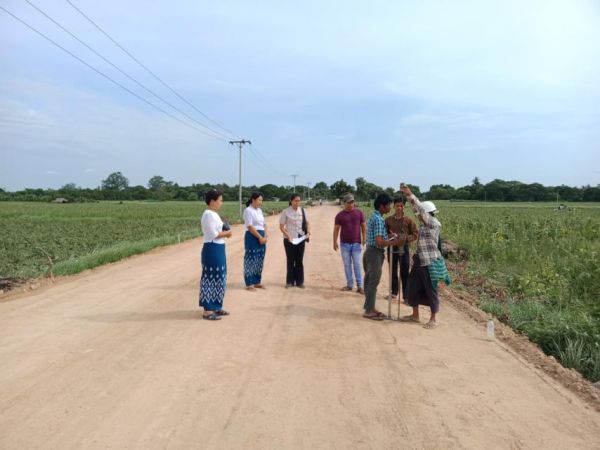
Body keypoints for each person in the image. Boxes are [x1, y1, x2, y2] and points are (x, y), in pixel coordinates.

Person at [399, 183, 450, 329]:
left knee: (431, 290)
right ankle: (415, 316)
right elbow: (419, 211)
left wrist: (409, 194)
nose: (418, 217)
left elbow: (420, 209)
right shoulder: (423, 225)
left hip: (429, 261)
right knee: (413, 287)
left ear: (428, 214)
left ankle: (433, 319)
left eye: (421, 215)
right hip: (419, 260)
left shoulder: (433, 223)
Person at [363, 193, 402, 320]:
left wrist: (389, 237)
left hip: (370, 251)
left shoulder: (374, 216)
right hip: (375, 252)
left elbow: (379, 237)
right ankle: (369, 311)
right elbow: (379, 241)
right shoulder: (379, 220)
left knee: (369, 280)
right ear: (382, 206)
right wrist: (393, 242)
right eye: (388, 205)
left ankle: (370, 307)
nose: (390, 208)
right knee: (373, 281)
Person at [199, 189, 232, 321]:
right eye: (220, 200)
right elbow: (213, 234)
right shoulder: (208, 214)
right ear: (212, 201)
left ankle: (216, 306)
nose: (221, 202)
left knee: (220, 276)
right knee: (210, 277)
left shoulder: (214, 214)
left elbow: (219, 230)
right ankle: (207, 310)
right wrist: (228, 233)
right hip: (212, 247)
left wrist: (226, 230)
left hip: (218, 247)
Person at [384, 197, 418, 302]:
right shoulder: (388, 220)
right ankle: (394, 292)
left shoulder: (408, 220)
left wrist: (405, 238)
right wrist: (390, 236)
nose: (399, 208)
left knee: (405, 271)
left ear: (404, 207)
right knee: (392, 270)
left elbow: (415, 234)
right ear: (394, 206)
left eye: (401, 206)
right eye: (397, 205)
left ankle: (406, 296)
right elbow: (384, 233)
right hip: (391, 247)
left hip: (404, 248)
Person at [333, 193, 366, 294]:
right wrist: (334, 242)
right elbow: (336, 229)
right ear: (344, 203)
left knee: (357, 264)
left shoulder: (359, 213)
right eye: (349, 202)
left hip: (356, 244)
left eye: (352, 202)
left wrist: (364, 238)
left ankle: (360, 286)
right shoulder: (340, 216)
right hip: (344, 244)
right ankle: (349, 285)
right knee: (347, 265)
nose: (351, 204)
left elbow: (363, 226)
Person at [279, 193, 310, 288]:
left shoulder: (303, 211)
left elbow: (307, 223)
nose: (297, 202)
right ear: (291, 201)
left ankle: (300, 282)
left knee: (299, 260)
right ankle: (289, 282)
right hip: (289, 239)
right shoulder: (285, 212)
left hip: (300, 238)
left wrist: (308, 232)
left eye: (299, 201)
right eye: (295, 201)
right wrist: (288, 235)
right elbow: (281, 226)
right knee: (290, 260)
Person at [243, 192, 268, 291]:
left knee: (259, 259)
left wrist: (265, 236)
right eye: (259, 200)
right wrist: (260, 237)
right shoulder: (248, 210)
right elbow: (249, 226)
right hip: (252, 236)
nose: (261, 202)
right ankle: (249, 283)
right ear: (253, 200)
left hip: (262, 236)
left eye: (262, 200)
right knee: (250, 259)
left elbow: (264, 224)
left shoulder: (259, 211)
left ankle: (257, 281)